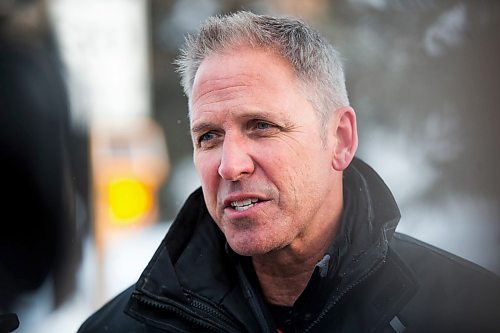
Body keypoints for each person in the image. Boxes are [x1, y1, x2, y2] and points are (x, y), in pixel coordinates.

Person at [79, 11, 500, 332]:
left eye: (261, 126)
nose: (230, 164)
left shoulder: (467, 311)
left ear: (339, 139)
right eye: (208, 136)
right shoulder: (125, 325)